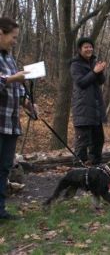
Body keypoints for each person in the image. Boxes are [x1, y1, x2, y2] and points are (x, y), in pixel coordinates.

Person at [0, 17, 36, 220]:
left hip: (11, 124)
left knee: (4, 168)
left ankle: (1, 210)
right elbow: (7, 81)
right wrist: (14, 78)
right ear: (1, 33)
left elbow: (17, 87)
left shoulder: (9, 58)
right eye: (13, 37)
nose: (15, 41)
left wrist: (28, 103)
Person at [70, 37, 107, 165]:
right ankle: (78, 170)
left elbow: (101, 81)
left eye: (90, 47)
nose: (89, 49)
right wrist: (94, 72)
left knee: (98, 140)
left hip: (96, 108)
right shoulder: (75, 64)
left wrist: (100, 71)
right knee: (82, 142)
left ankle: (95, 167)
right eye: (86, 47)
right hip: (83, 109)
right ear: (80, 49)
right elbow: (81, 83)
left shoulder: (93, 62)